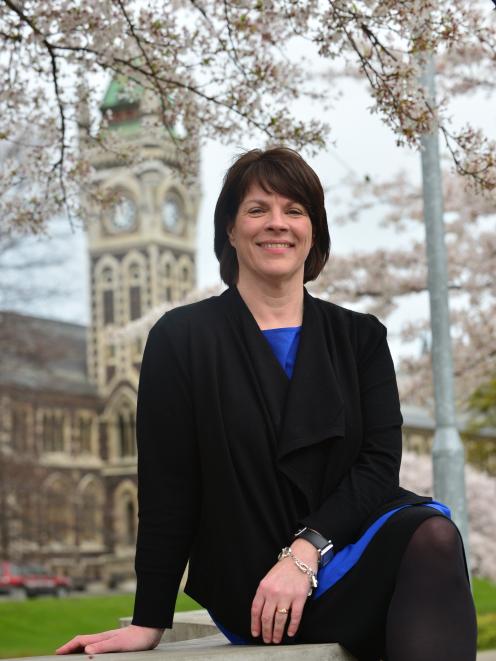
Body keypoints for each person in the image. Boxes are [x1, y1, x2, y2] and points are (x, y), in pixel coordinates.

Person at [56, 147, 477, 660]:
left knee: (433, 535)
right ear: (230, 231)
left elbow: (378, 465)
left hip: (339, 549)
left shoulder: (360, 337)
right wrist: (150, 620)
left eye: (294, 210)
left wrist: (304, 553)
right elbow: (169, 489)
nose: (277, 224)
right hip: (252, 582)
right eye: (258, 209)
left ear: (313, 233)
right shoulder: (182, 339)